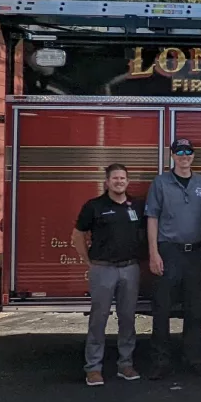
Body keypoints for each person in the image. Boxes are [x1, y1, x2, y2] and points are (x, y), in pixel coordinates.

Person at [145, 138, 201, 380]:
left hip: (196, 254)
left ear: (193, 156)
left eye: (188, 152)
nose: (184, 156)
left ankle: (194, 359)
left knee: (195, 310)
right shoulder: (160, 182)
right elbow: (152, 217)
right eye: (179, 152)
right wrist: (153, 253)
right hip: (169, 252)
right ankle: (160, 361)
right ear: (172, 156)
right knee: (162, 309)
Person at [71, 164, 146, 386]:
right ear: (107, 182)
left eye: (123, 178)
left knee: (127, 318)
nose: (119, 182)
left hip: (130, 268)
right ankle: (93, 367)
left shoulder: (137, 206)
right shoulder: (94, 206)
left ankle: (126, 364)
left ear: (128, 182)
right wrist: (88, 261)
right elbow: (77, 235)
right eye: (115, 178)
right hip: (102, 268)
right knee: (98, 318)